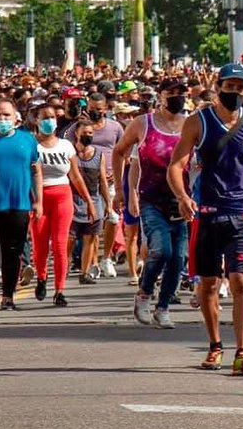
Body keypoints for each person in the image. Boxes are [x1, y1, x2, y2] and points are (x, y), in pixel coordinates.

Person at [167, 63, 243, 375]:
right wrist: (183, 196)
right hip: (206, 213)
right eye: (229, 86)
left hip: (242, 212)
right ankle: (215, 345)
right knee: (208, 284)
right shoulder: (198, 122)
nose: (234, 92)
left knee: (241, 282)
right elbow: (176, 165)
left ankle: (242, 351)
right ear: (218, 86)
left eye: (239, 87)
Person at [115, 78, 188, 328]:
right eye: (172, 92)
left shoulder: (190, 125)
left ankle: (163, 307)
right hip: (151, 199)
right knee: (161, 250)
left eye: (181, 92)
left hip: (181, 201)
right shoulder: (142, 124)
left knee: (179, 258)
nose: (177, 97)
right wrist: (123, 191)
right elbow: (120, 153)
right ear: (161, 95)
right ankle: (144, 293)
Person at [0, 100, 42, 311]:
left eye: (6, 115)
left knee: (12, 251)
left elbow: (35, 171)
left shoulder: (27, 140)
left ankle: (8, 296)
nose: (2, 119)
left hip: (18, 206)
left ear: (16, 118)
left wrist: (38, 201)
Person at [31, 104, 91, 306]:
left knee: (59, 245)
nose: (49, 121)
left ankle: (59, 290)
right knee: (40, 246)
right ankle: (41, 277)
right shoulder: (32, 145)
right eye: (44, 117)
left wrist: (89, 201)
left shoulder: (66, 145)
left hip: (62, 196)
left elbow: (75, 175)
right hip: (39, 198)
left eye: (52, 117)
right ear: (37, 121)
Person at [64, 93, 124, 279]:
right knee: (79, 230)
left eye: (99, 109)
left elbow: (123, 151)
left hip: (107, 180)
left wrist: (116, 173)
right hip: (79, 183)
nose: (95, 112)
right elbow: (66, 148)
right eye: (92, 109)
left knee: (111, 219)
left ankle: (105, 258)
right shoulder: (76, 128)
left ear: (105, 109)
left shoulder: (115, 127)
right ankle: (86, 265)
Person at [69, 119, 108, 285]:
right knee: (69, 239)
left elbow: (103, 180)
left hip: (94, 200)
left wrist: (108, 202)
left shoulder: (99, 155)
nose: (87, 136)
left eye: (90, 133)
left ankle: (85, 273)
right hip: (72, 201)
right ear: (76, 133)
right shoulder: (70, 152)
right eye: (84, 132)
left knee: (90, 238)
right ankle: (63, 267)